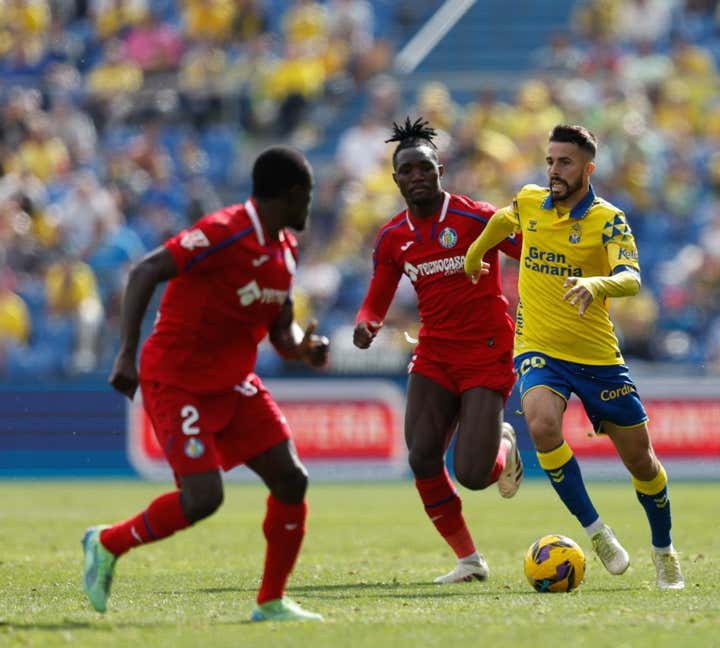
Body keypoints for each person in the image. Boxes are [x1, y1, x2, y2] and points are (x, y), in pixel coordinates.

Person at [86, 146, 328, 622]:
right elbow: (145, 270)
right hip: (177, 378)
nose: (310, 207)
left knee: (291, 478)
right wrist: (125, 353)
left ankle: (271, 602)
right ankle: (106, 543)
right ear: (294, 194)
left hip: (233, 381)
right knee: (203, 498)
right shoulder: (224, 232)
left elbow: (282, 329)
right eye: (309, 196)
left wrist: (303, 347)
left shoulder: (287, 249)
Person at [464, 124, 684, 590]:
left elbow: (630, 277)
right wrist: (475, 252)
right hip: (539, 348)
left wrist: (594, 283)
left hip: (597, 355)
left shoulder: (609, 219)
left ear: (588, 168)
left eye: (563, 163)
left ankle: (664, 549)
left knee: (642, 462)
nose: (553, 171)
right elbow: (505, 220)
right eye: (549, 161)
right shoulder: (530, 202)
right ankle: (596, 532)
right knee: (542, 424)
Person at [353, 116, 524, 584]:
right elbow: (376, 297)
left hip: (487, 351)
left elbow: (531, 252)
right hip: (434, 353)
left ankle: (502, 445)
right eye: (406, 171)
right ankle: (469, 560)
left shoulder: (477, 218)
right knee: (422, 456)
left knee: (472, 474)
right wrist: (366, 324)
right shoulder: (393, 238)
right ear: (395, 179)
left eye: (424, 168)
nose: (416, 177)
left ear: (440, 170)